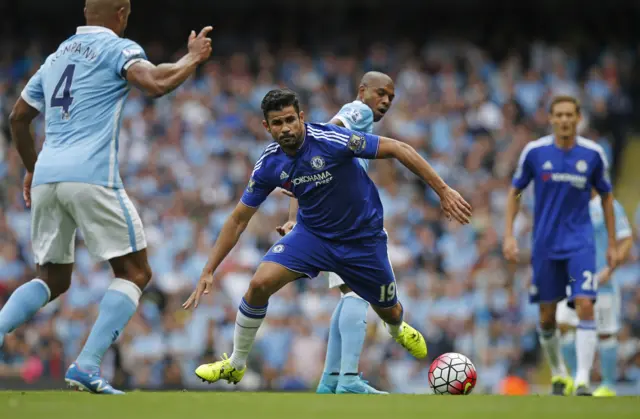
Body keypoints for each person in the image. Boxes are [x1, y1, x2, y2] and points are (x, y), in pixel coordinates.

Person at [184, 88, 472, 389]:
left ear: (301, 118)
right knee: (258, 284)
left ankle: (397, 327)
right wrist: (208, 269)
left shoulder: (331, 140)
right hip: (313, 237)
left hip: (362, 240)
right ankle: (236, 364)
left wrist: (443, 190)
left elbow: (399, 149)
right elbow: (238, 219)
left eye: (290, 120)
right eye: (278, 123)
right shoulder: (269, 163)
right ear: (266, 127)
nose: (286, 128)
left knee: (391, 309)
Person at [2, 0, 212, 394]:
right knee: (135, 272)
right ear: (122, 13)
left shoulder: (56, 56)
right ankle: (87, 364)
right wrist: (194, 59)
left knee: (52, 277)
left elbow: (17, 117)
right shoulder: (118, 47)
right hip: (91, 174)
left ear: (86, 12)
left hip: (48, 174)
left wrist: (33, 167)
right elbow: (156, 83)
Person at [275, 71, 396, 394]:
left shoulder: (348, 125)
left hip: (330, 218)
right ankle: (349, 378)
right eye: (381, 93)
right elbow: (330, 134)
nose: (384, 102)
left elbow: (309, 162)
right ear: (363, 91)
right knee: (359, 294)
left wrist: (293, 218)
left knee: (347, 295)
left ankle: (330, 379)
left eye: (390, 98)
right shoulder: (359, 111)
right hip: (347, 223)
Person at [503, 95, 621, 396]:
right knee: (546, 315)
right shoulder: (535, 152)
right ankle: (559, 373)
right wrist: (509, 234)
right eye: (559, 114)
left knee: (584, 304)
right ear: (551, 118)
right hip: (544, 244)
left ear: (578, 117)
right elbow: (516, 191)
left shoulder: (593, 155)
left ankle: (582, 379)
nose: (565, 119)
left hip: (580, 243)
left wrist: (611, 242)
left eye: (570, 114)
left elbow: (606, 197)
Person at [555, 189, 633, 397]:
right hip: (572, 281)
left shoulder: (609, 205)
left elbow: (626, 239)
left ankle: (608, 385)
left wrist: (611, 269)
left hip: (601, 281)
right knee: (563, 325)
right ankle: (576, 378)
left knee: (605, 333)